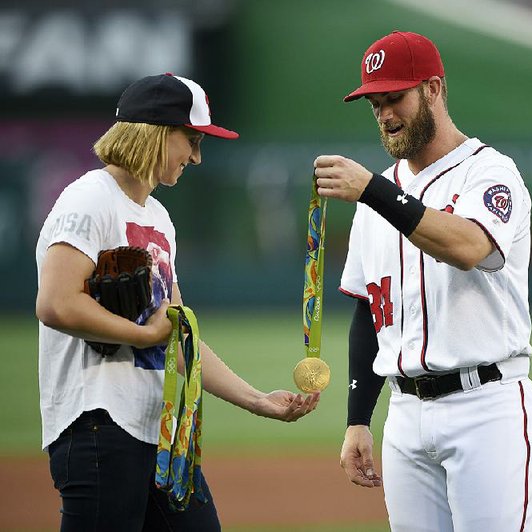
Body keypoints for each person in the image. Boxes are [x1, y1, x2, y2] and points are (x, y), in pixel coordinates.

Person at [35, 73, 321, 531]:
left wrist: (258, 400)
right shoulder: (90, 198)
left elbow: (179, 337)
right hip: (99, 426)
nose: (196, 155)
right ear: (155, 132)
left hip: (161, 428)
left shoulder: (158, 216)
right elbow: (55, 303)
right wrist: (144, 333)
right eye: (190, 139)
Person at [314, 31, 532, 531]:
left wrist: (373, 192)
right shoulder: (376, 197)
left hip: (486, 407)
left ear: (433, 88)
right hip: (405, 417)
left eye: (395, 97)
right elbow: (369, 313)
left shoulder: (489, 172)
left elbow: (467, 247)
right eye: (375, 102)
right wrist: (357, 418)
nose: (384, 114)